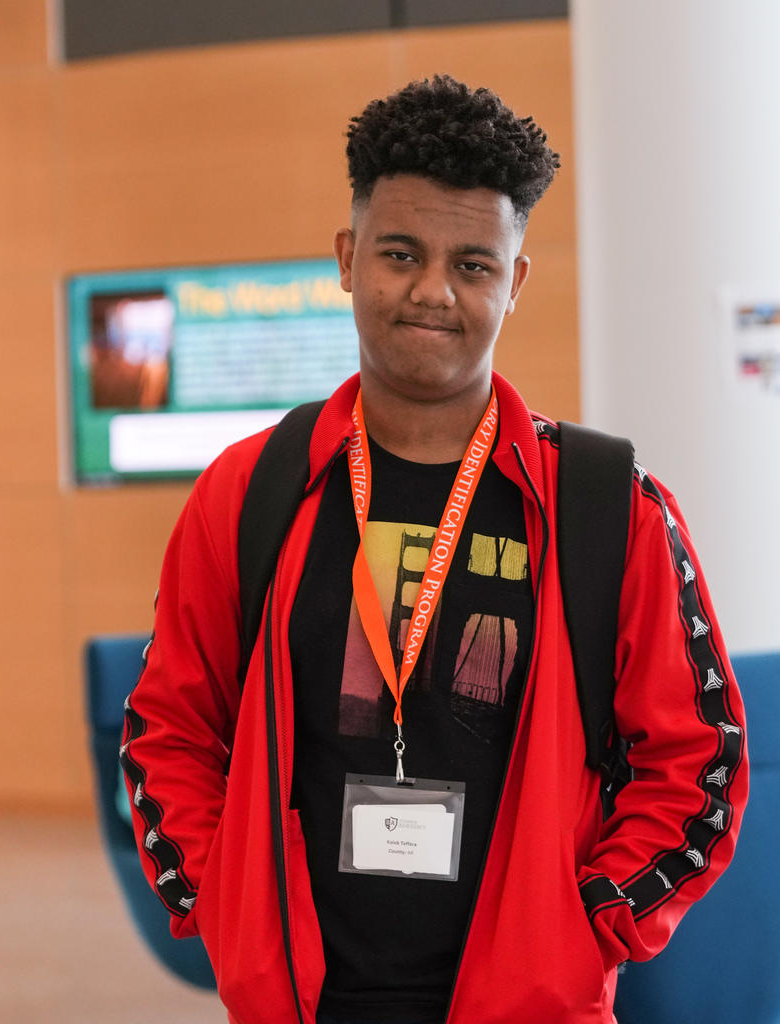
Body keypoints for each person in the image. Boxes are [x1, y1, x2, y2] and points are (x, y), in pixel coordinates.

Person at [121, 75, 748, 1024]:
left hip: (530, 1003)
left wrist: (589, 923)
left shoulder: (607, 506)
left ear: (515, 281)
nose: (431, 293)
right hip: (302, 1000)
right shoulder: (248, 493)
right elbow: (168, 729)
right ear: (346, 257)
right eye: (401, 254)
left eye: (472, 264)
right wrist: (227, 909)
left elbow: (699, 758)